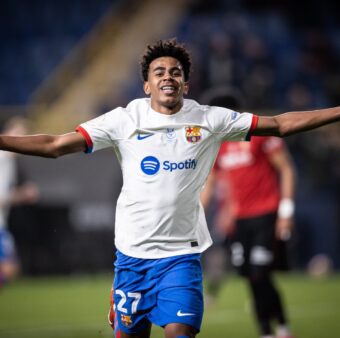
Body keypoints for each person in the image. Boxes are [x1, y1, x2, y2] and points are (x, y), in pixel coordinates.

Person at [0, 39, 339, 338]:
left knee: (180, 332)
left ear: (185, 84)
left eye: (175, 72)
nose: (167, 76)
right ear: (147, 85)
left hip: (181, 257)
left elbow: (279, 125)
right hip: (132, 261)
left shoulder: (210, 119)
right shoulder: (124, 120)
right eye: (158, 71)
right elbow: (56, 144)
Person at [200, 88, 296, 338]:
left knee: (259, 272)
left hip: (266, 214)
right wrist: (197, 214)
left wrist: (286, 212)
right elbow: (215, 182)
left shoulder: (261, 135)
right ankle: (267, 332)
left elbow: (286, 169)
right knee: (251, 277)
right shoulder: (219, 146)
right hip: (240, 221)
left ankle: (281, 327)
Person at [0, 117, 39, 288]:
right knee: (10, 268)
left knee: (10, 268)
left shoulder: (9, 161)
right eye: (19, 135)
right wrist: (22, 195)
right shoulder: (3, 158)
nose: (22, 142)